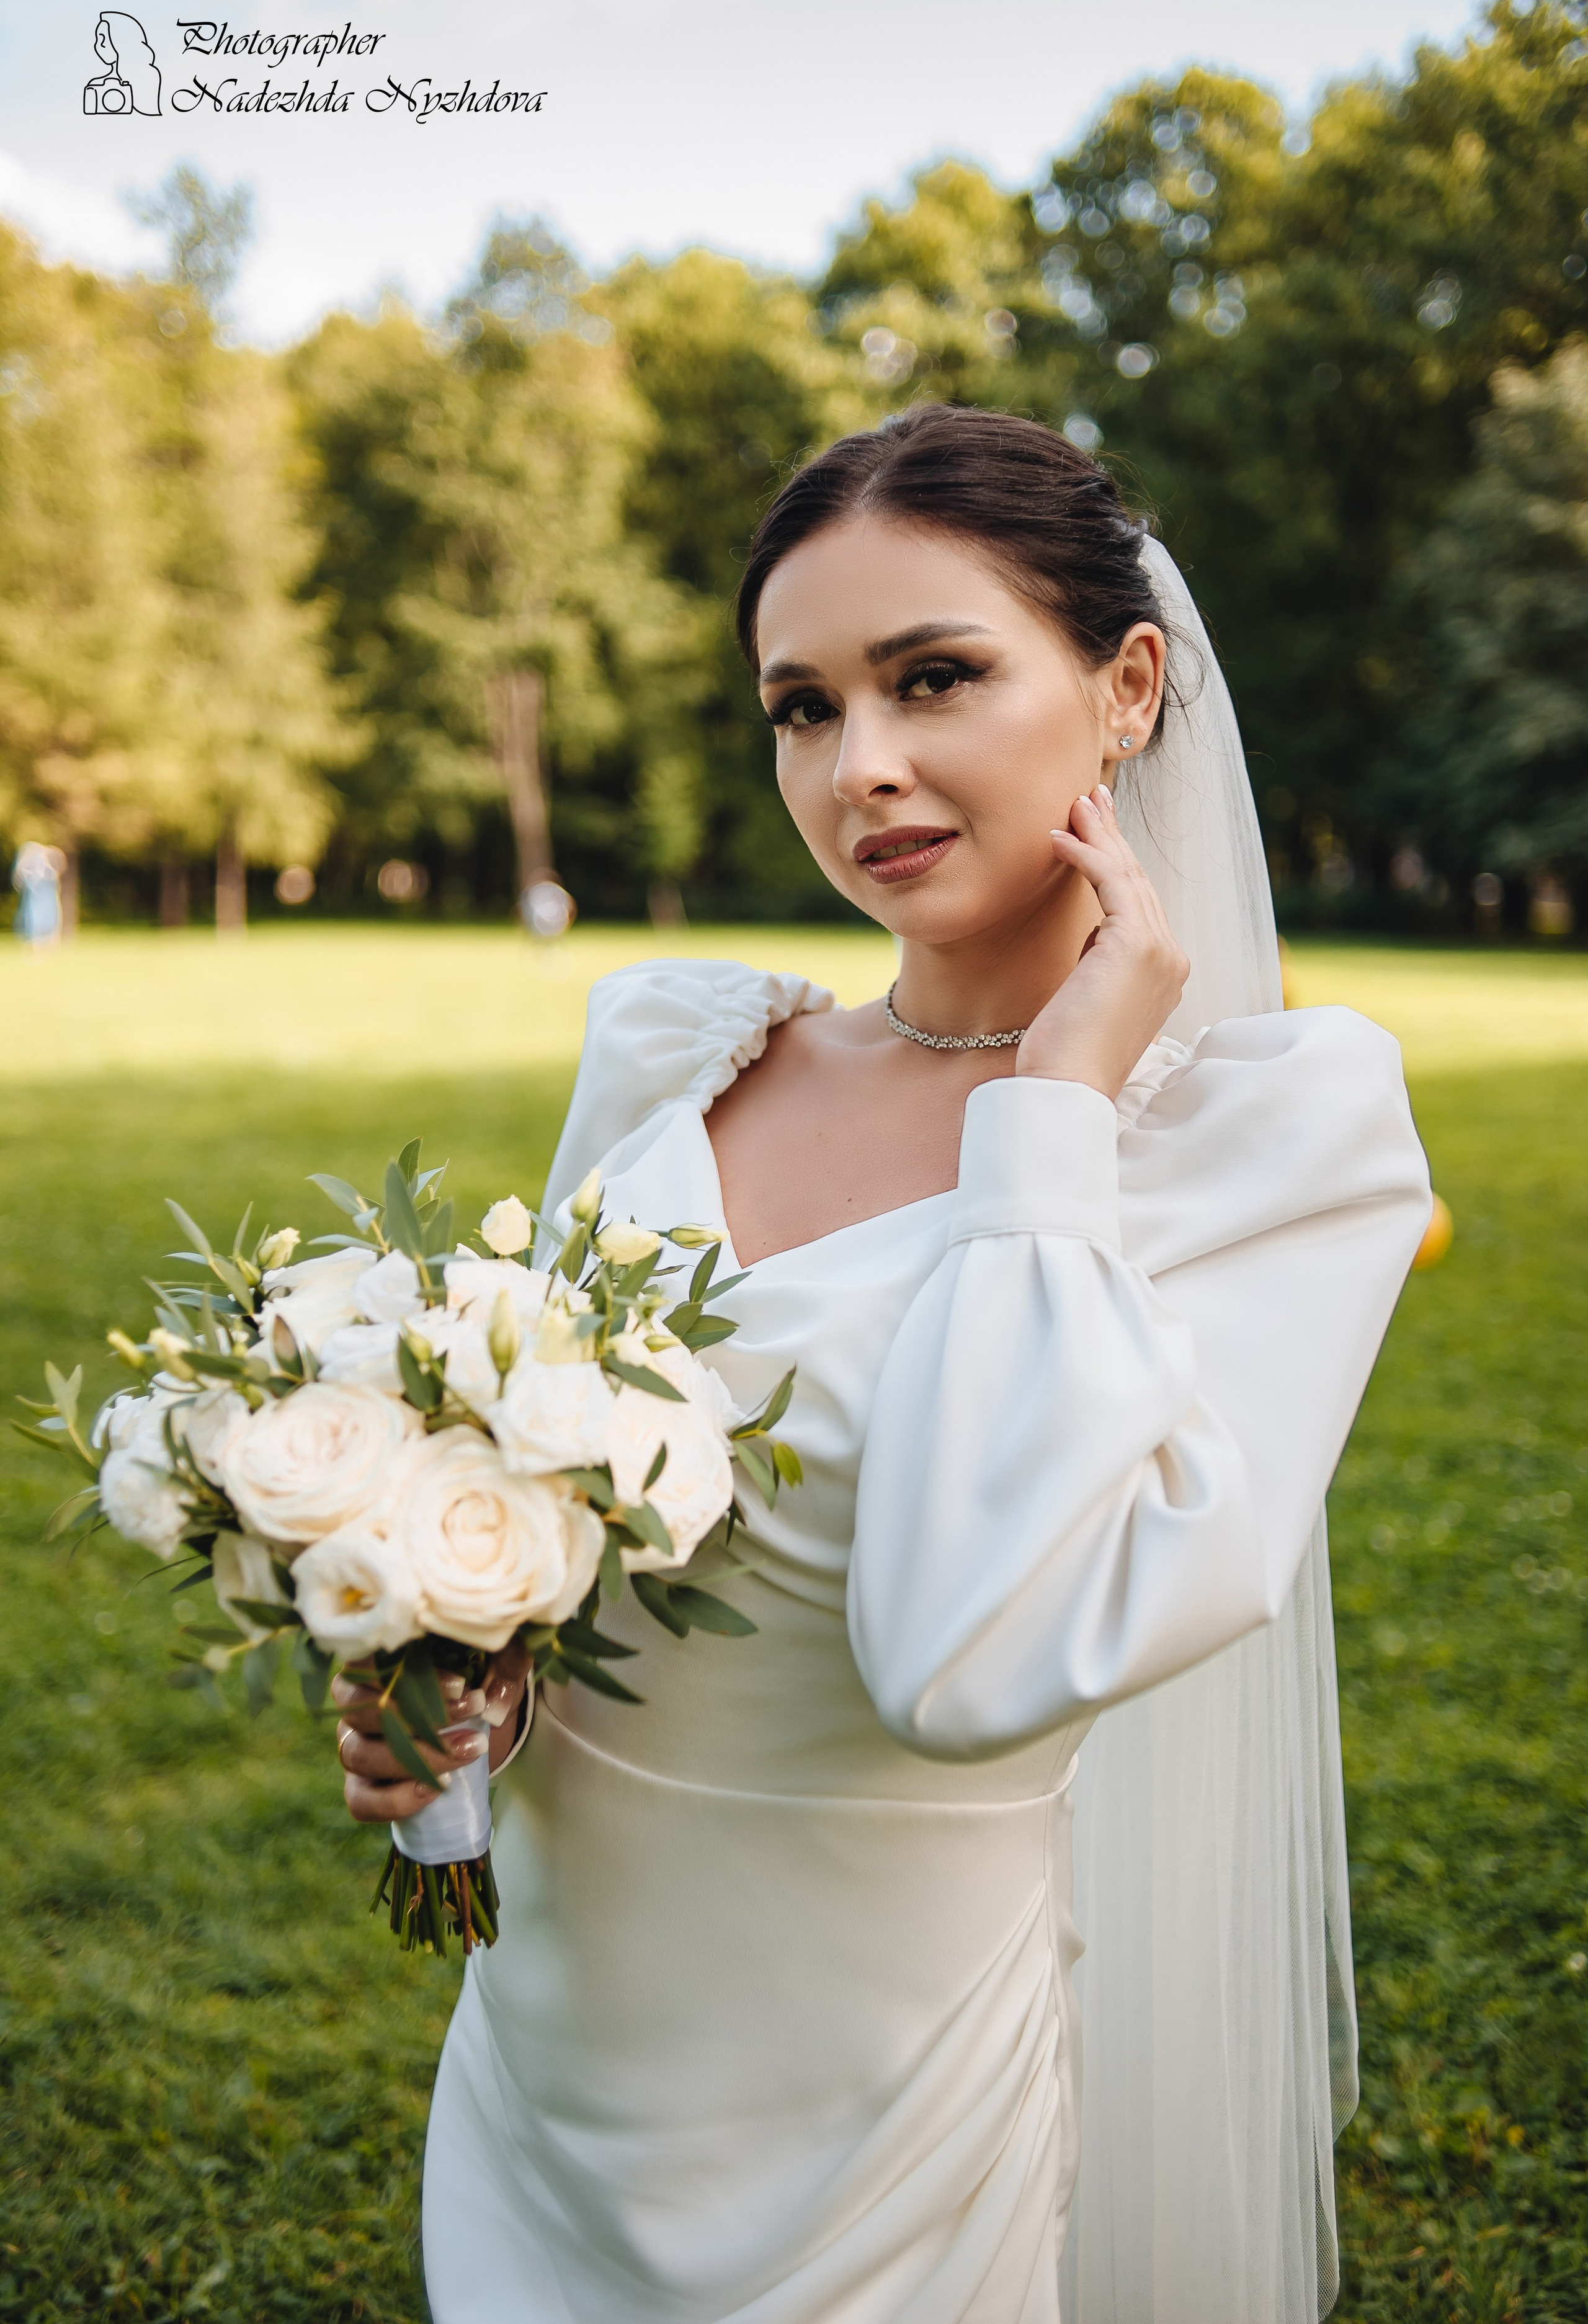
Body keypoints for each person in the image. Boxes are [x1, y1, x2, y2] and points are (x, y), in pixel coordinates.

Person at [336, 403, 1431, 2323]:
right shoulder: (677, 1062)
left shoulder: (1270, 1144)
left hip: (876, 2090)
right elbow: (561, 1520)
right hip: (563, 2037)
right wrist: (463, 1693)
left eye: (934, 677)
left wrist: (1054, 1107)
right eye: (802, 706)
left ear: (1128, 688)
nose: (863, 768)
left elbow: (966, 1657)